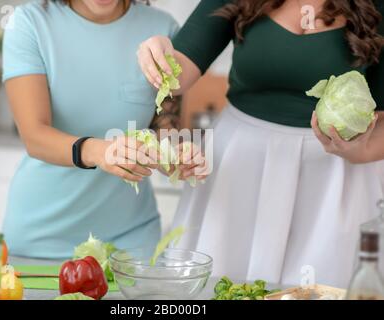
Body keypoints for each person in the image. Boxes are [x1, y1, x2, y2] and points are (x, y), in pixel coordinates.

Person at [137, 0, 384, 287]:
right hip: (238, 169)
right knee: (220, 288)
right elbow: (176, 73)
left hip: (338, 178)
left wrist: (360, 151)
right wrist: (156, 51)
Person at [2, 0, 182, 259]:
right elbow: (34, 136)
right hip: (42, 239)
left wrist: (176, 157)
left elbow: (165, 131)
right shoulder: (29, 23)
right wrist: (100, 152)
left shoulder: (162, 29)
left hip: (133, 240)